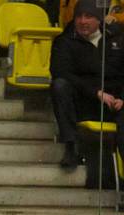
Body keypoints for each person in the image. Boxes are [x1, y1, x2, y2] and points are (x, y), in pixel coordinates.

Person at [50, 0, 124, 171]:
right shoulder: (64, 41)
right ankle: (70, 146)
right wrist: (96, 92)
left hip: (115, 103)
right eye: (79, 17)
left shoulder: (117, 39)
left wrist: (122, 98)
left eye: (89, 16)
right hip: (83, 101)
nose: (83, 21)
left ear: (99, 19)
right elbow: (61, 72)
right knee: (60, 85)